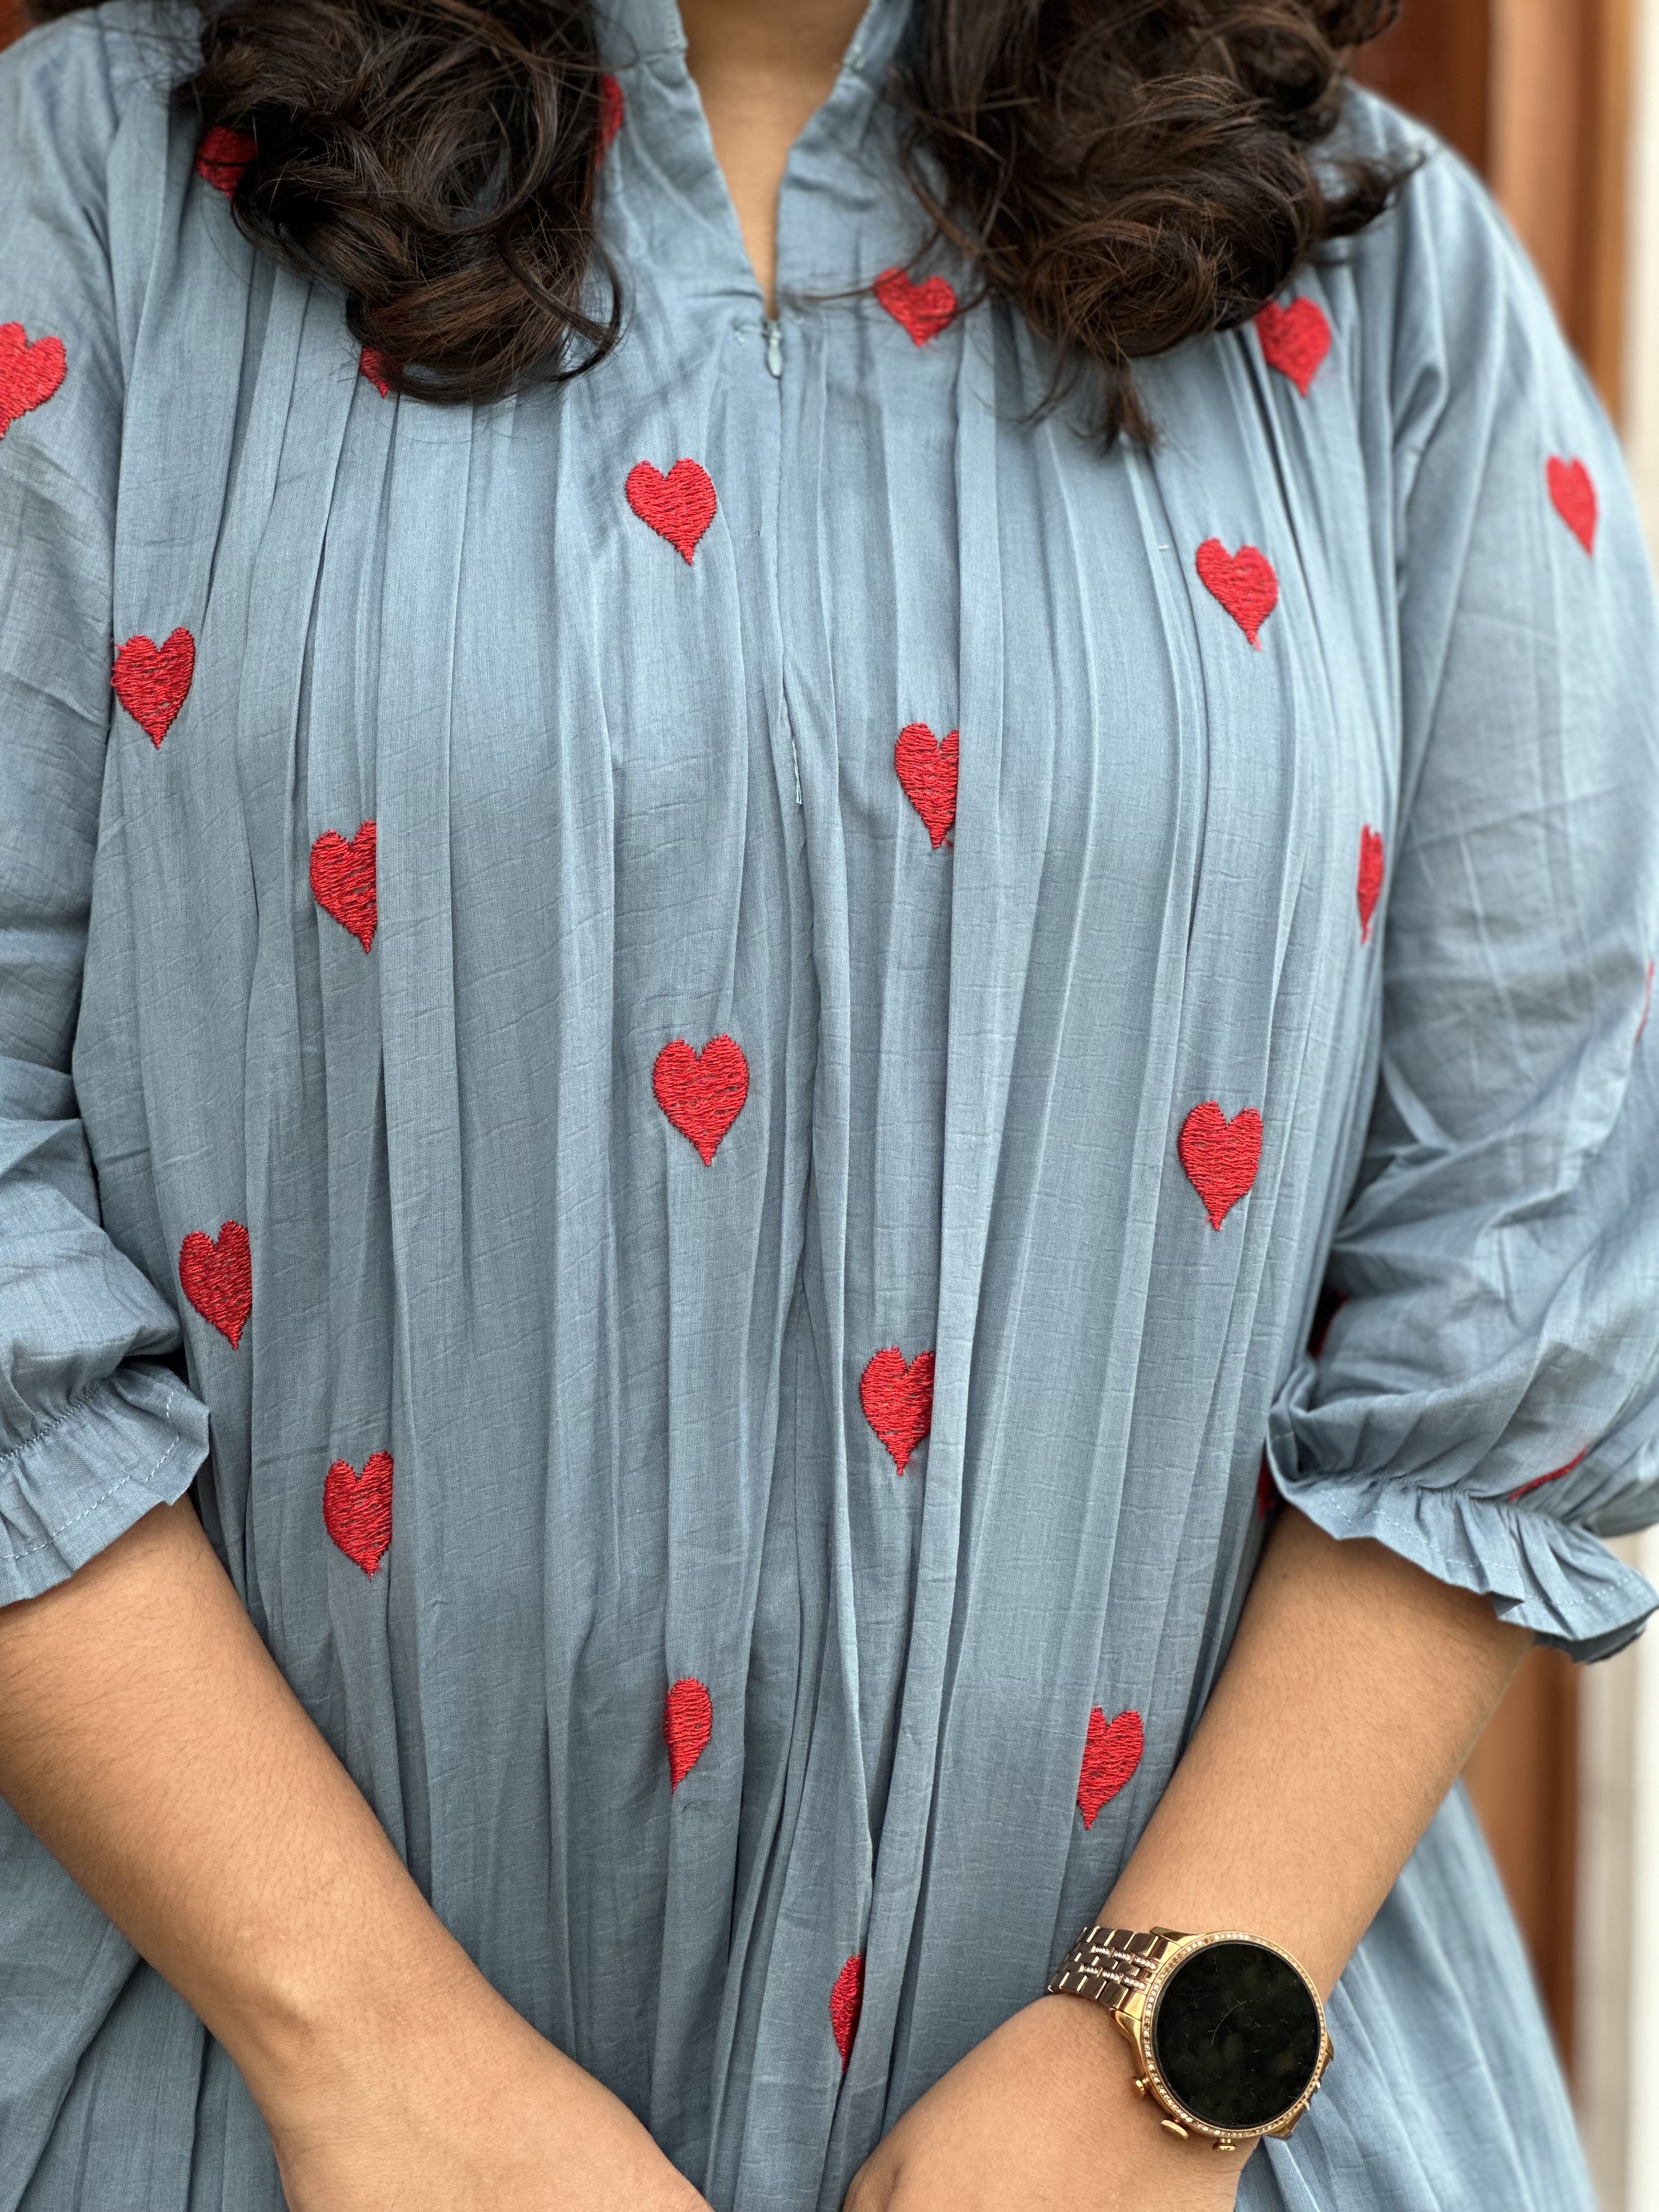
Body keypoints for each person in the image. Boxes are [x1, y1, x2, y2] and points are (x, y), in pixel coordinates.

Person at [2, 0, 1657, 2205]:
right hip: (222, 2106)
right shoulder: (92, 196)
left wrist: (1147, 2072)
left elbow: (1538, 1241)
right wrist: (366, 2047)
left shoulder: (1387, 287)